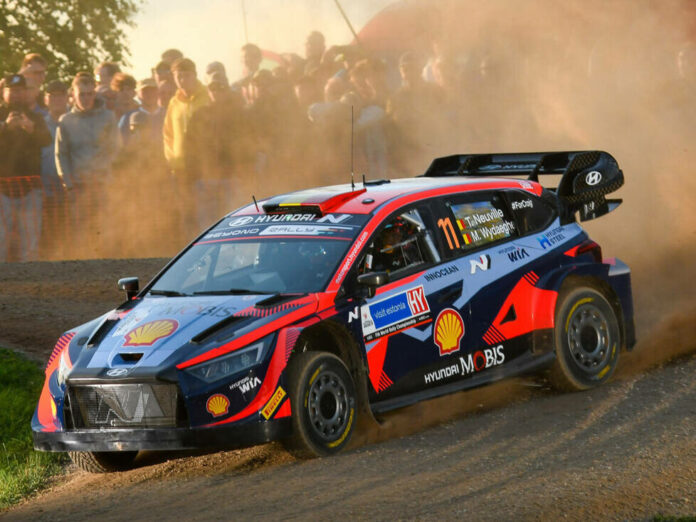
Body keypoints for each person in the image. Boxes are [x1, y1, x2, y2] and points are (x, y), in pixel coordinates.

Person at [186, 72, 249, 227]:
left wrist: (243, 173)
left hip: (231, 178)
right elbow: (190, 147)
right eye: (212, 88)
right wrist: (193, 175)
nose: (216, 91)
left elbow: (247, 146)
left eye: (221, 87)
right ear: (208, 90)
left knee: (234, 223)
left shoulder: (238, 115)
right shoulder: (199, 115)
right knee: (208, 226)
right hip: (205, 179)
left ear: (227, 89)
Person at [0, 74, 52, 261]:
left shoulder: (35, 117)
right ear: (3, 92)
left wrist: (31, 129)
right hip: (2, 190)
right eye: (12, 91)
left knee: (30, 245)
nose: (16, 95)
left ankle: (31, 278)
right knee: (1, 242)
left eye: (20, 91)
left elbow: (47, 140)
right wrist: (5, 127)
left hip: (30, 189)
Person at [55, 72, 119, 189]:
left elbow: (115, 148)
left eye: (89, 94)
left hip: (104, 184)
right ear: (73, 95)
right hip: (78, 185)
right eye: (82, 95)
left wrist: (111, 176)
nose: (86, 99)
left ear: (94, 94)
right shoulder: (66, 120)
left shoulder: (108, 117)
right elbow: (61, 154)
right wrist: (68, 183)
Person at [163, 57, 210, 177]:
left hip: (206, 164)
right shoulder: (174, 103)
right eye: (179, 76)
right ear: (173, 78)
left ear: (195, 75)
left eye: (187, 75)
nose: (183, 80)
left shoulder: (208, 96)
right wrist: (173, 161)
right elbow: (168, 135)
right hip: (180, 168)